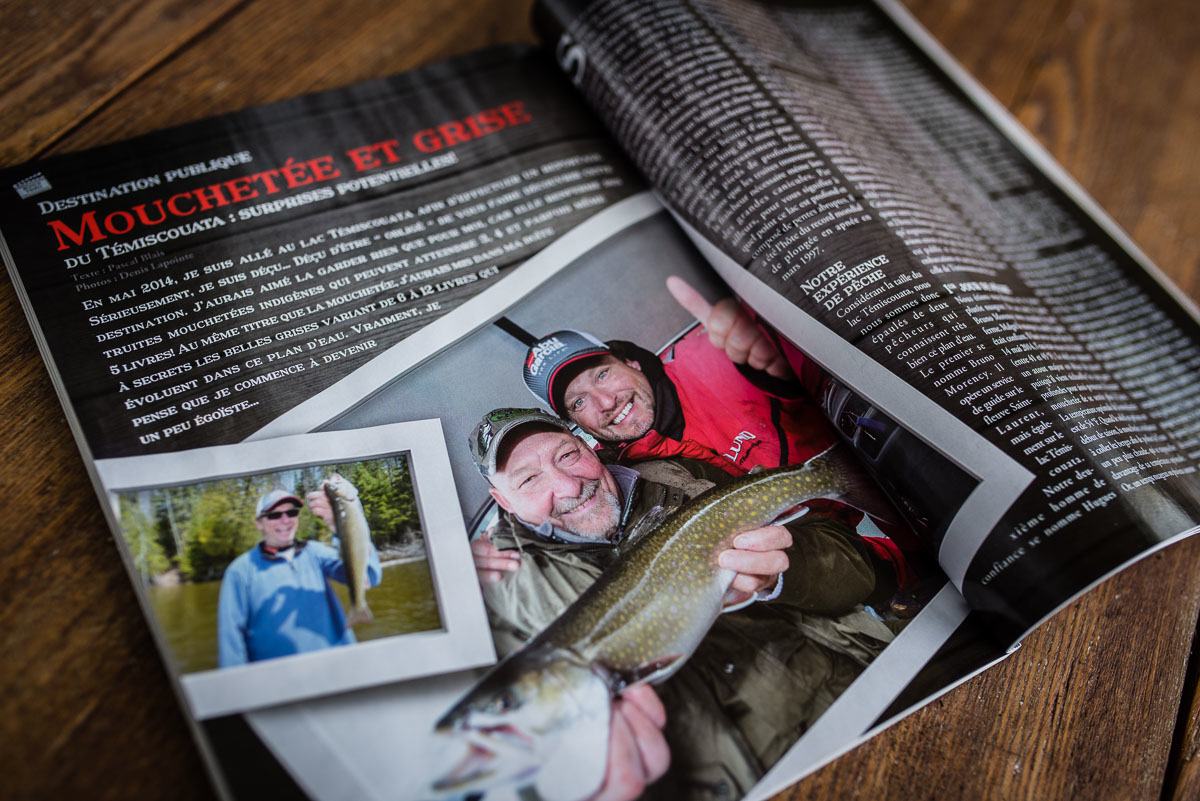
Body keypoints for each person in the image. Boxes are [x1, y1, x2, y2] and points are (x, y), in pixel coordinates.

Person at [468, 408, 895, 801]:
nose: (568, 485)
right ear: (502, 500)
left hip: (865, 709)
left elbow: (860, 570)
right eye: (527, 479)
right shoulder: (492, 592)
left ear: (587, 446)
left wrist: (783, 571)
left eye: (567, 454)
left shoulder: (678, 475)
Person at [520, 275, 919, 589]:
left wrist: (783, 359)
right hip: (847, 557)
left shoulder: (713, 356)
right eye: (578, 402)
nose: (604, 402)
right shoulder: (622, 472)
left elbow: (818, 375)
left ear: (633, 363)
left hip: (899, 494)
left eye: (603, 373)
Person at [216, 485, 382, 667]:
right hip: (279, 683)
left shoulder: (316, 552)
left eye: (292, 513)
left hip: (341, 666)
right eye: (274, 515)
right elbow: (230, 638)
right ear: (259, 523)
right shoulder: (239, 571)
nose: (285, 520)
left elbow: (370, 575)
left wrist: (339, 525)